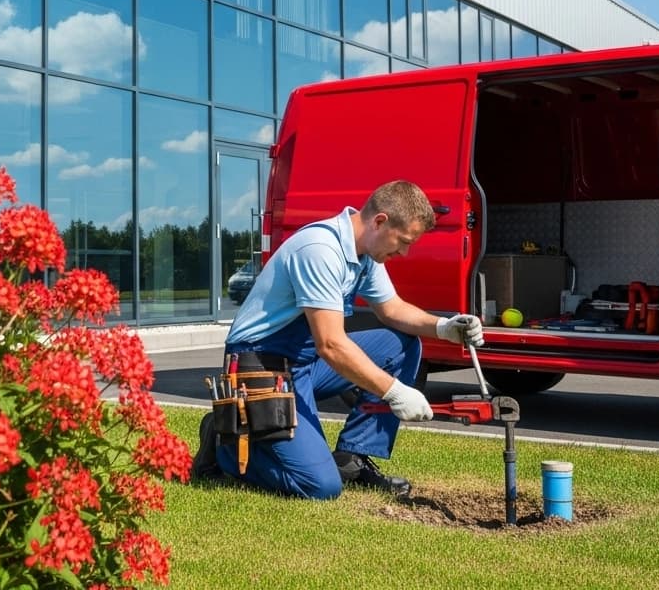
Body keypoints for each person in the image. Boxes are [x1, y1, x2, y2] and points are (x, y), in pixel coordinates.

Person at [193, 179, 484, 499]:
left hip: (302, 364)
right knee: (320, 486)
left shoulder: (366, 255)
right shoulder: (320, 250)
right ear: (380, 221)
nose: (404, 252)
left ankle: (352, 458)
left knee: (401, 345)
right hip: (260, 366)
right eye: (403, 241)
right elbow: (330, 344)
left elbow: (392, 309)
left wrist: (444, 326)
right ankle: (225, 447)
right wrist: (395, 391)